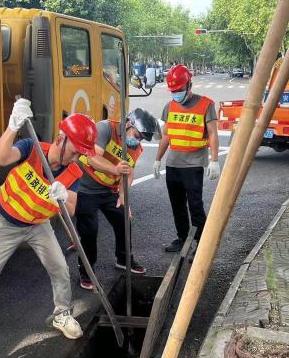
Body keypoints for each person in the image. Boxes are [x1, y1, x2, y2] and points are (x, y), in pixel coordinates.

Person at [0, 100, 97, 339]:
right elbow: (1, 158)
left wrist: (64, 196)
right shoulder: (32, 148)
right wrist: (13, 125)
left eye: (80, 154)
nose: (76, 158)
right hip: (6, 223)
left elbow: (73, 209)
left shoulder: (73, 171)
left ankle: (62, 314)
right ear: (59, 140)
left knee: (60, 268)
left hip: (38, 226)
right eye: (75, 151)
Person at [74, 108, 161, 290]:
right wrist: (114, 170)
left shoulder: (135, 147)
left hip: (109, 191)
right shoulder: (106, 128)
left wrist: (123, 194)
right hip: (85, 189)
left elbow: (128, 173)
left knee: (123, 221)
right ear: (129, 124)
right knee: (89, 231)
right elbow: (92, 157)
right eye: (137, 135)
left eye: (141, 139)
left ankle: (124, 259)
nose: (137, 141)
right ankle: (87, 272)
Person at [153, 64, 220, 252]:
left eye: (179, 90)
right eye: (173, 91)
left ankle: (201, 245)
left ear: (189, 85)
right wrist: (158, 159)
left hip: (194, 165)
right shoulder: (170, 106)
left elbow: (213, 133)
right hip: (173, 164)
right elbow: (166, 135)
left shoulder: (206, 105)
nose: (176, 94)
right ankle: (182, 238)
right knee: (177, 205)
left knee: (195, 206)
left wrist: (214, 161)